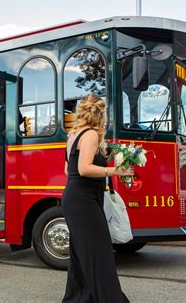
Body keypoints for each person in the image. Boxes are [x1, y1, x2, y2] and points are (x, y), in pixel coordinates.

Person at [62, 94, 133, 303]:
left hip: (75, 198)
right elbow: (84, 169)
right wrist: (116, 171)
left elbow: (69, 169)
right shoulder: (91, 134)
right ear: (101, 115)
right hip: (84, 201)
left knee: (81, 255)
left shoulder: (74, 134)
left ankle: (81, 298)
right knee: (99, 253)